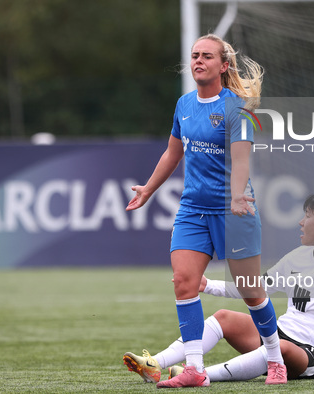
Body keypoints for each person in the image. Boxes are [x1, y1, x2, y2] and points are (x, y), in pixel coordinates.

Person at [124, 34, 286, 388]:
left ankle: (276, 359)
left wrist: (238, 195)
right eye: (194, 55)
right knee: (184, 282)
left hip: (234, 211)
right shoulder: (184, 104)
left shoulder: (236, 108)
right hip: (193, 210)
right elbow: (172, 152)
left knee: (251, 292)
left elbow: (241, 158)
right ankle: (195, 369)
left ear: (223, 65)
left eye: (207, 56)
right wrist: (149, 189)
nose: (198, 61)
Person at [124, 193, 314, 383]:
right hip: (283, 333)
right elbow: (254, 288)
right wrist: (208, 285)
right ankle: (156, 363)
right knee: (225, 317)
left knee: (281, 348)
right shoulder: (299, 257)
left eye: (308, 216)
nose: (301, 222)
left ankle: (203, 375)